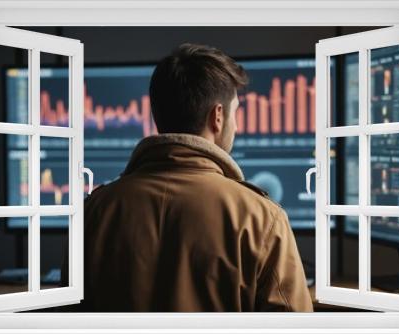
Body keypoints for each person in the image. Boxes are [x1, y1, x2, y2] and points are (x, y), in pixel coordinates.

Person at [71, 43, 313, 312]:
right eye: (236, 112)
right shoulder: (261, 218)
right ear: (218, 117)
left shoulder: (94, 211)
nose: (237, 125)